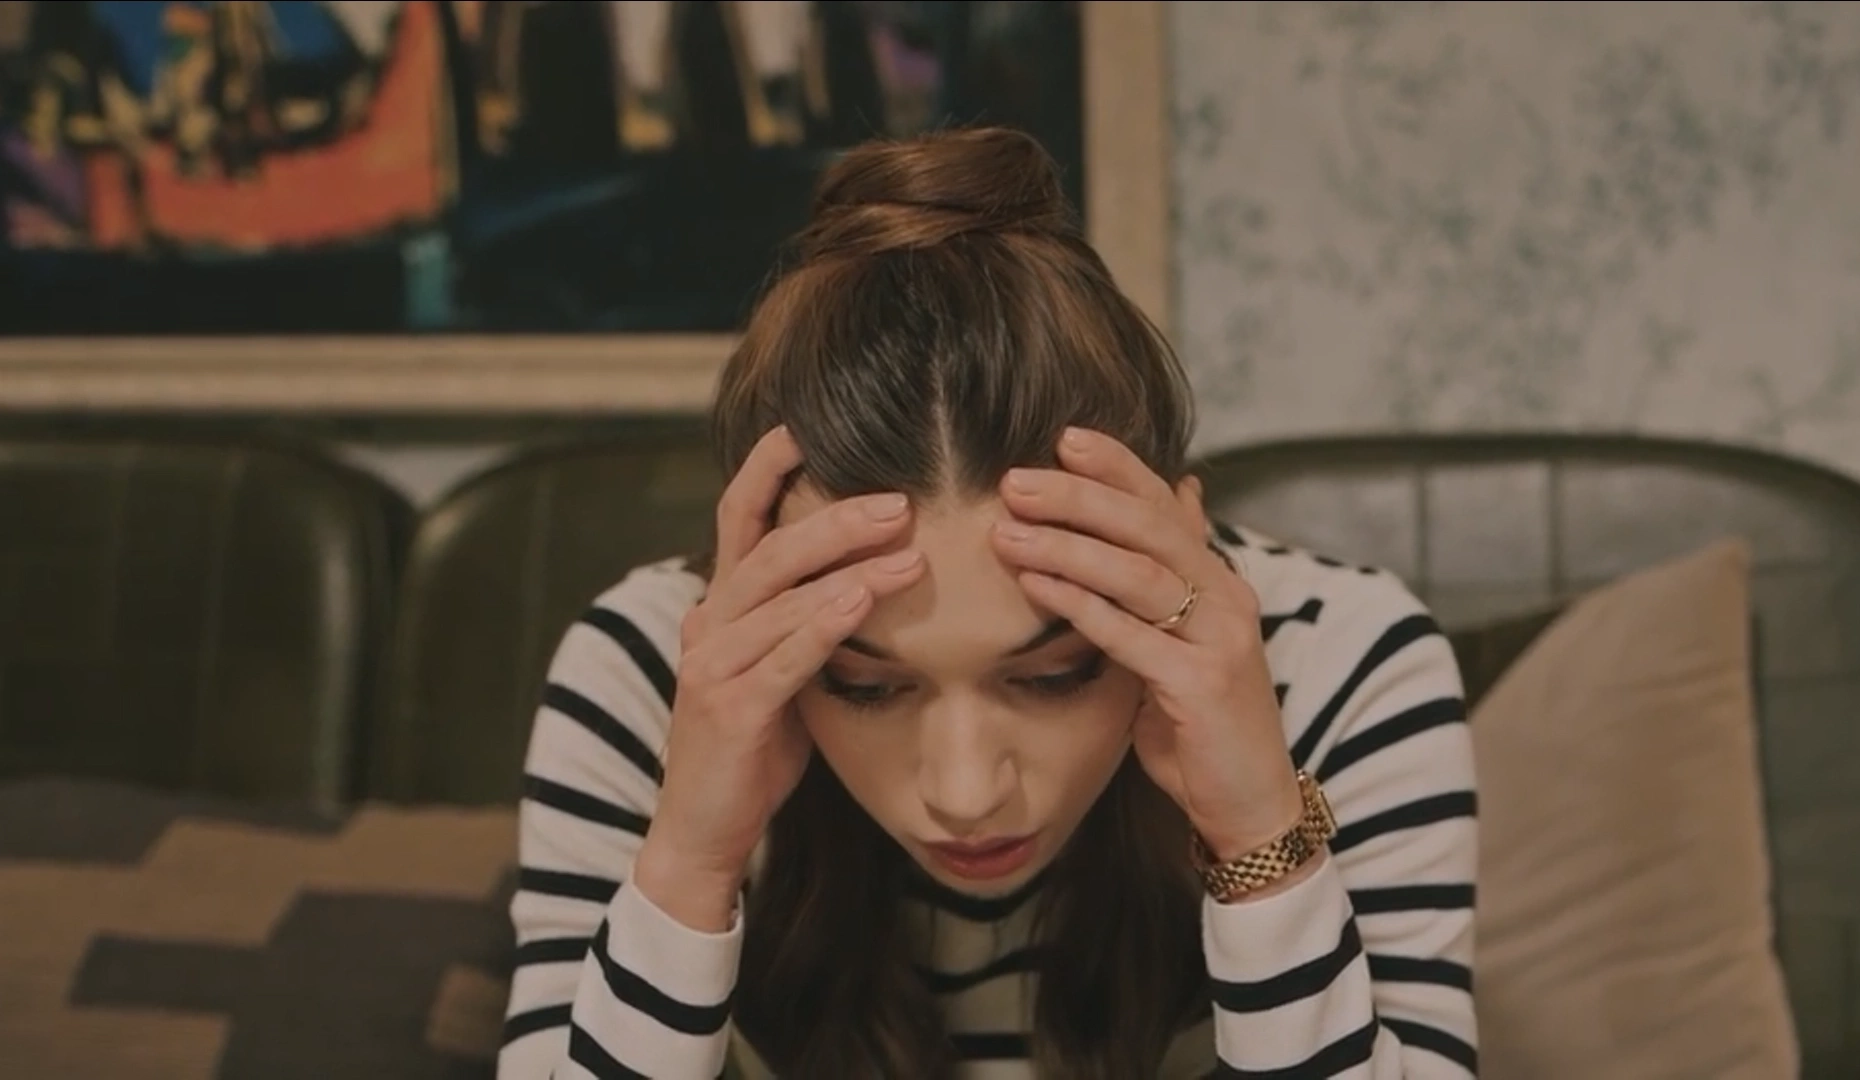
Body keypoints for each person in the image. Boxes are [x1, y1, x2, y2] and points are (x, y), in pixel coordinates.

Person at [498, 126, 1478, 1079]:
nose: (965, 794)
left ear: (1171, 536)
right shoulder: (652, 673)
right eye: (863, 685)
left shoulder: (1342, 660)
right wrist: (689, 864)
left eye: (1055, 674)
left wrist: (1262, 834)